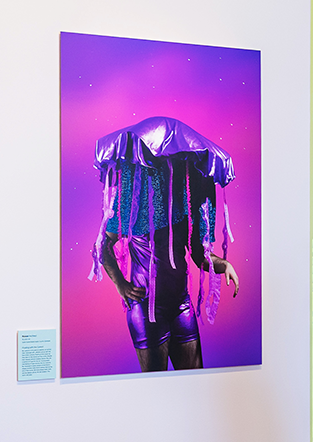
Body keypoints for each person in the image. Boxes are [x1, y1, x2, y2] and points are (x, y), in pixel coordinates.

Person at [90, 116, 243, 372]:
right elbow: (101, 245)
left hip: (181, 305)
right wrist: (121, 285)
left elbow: (200, 256)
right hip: (146, 308)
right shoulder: (134, 200)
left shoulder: (186, 207)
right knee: (155, 387)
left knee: (194, 381)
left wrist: (223, 264)